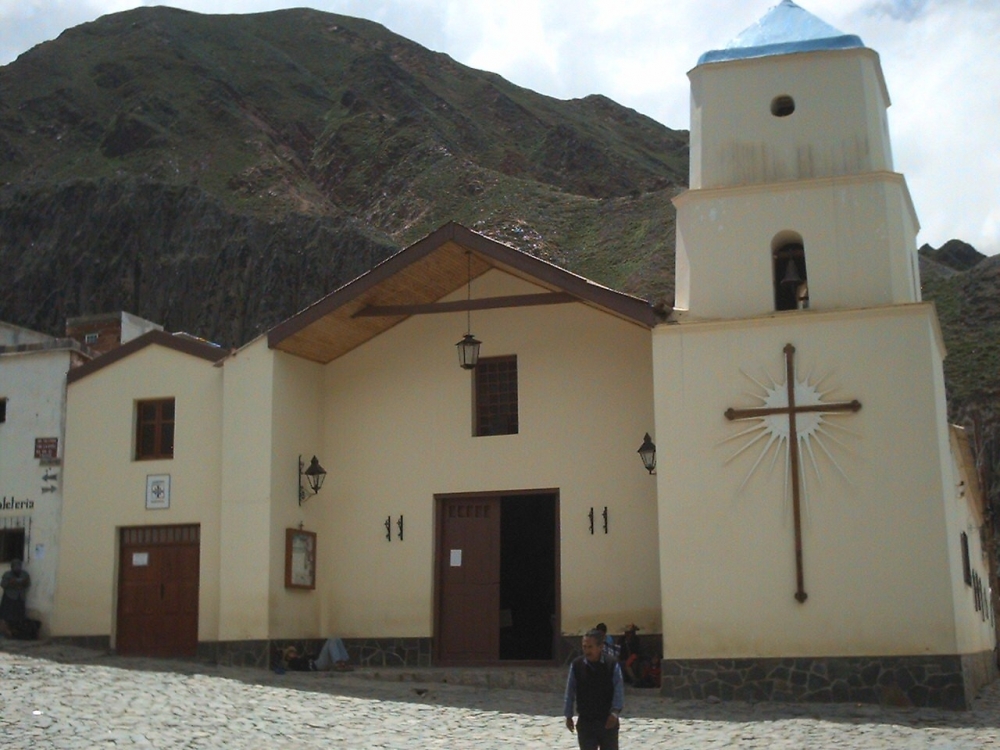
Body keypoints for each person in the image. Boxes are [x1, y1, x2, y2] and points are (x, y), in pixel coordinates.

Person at [564, 628, 624, 750]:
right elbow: (570, 691)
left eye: (590, 647)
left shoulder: (611, 664)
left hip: (607, 721)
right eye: (584, 647)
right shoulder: (577, 665)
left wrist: (614, 713)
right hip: (586, 721)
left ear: (600, 646)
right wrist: (568, 715)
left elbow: (619, 690)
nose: (586, 650)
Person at [0, 559, 30, 630]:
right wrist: (10, 582)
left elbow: (28, 583)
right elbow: (3, 584)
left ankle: (17, 629)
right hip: (9, 597)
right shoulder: (7, 574)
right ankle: (7, 629)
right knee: (8, 615)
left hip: (20, 597)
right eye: (15, 566)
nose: (17, 568)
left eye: (19, 566)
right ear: (12, 567)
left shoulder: (24, 574)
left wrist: (23, 583)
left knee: (19, 615)